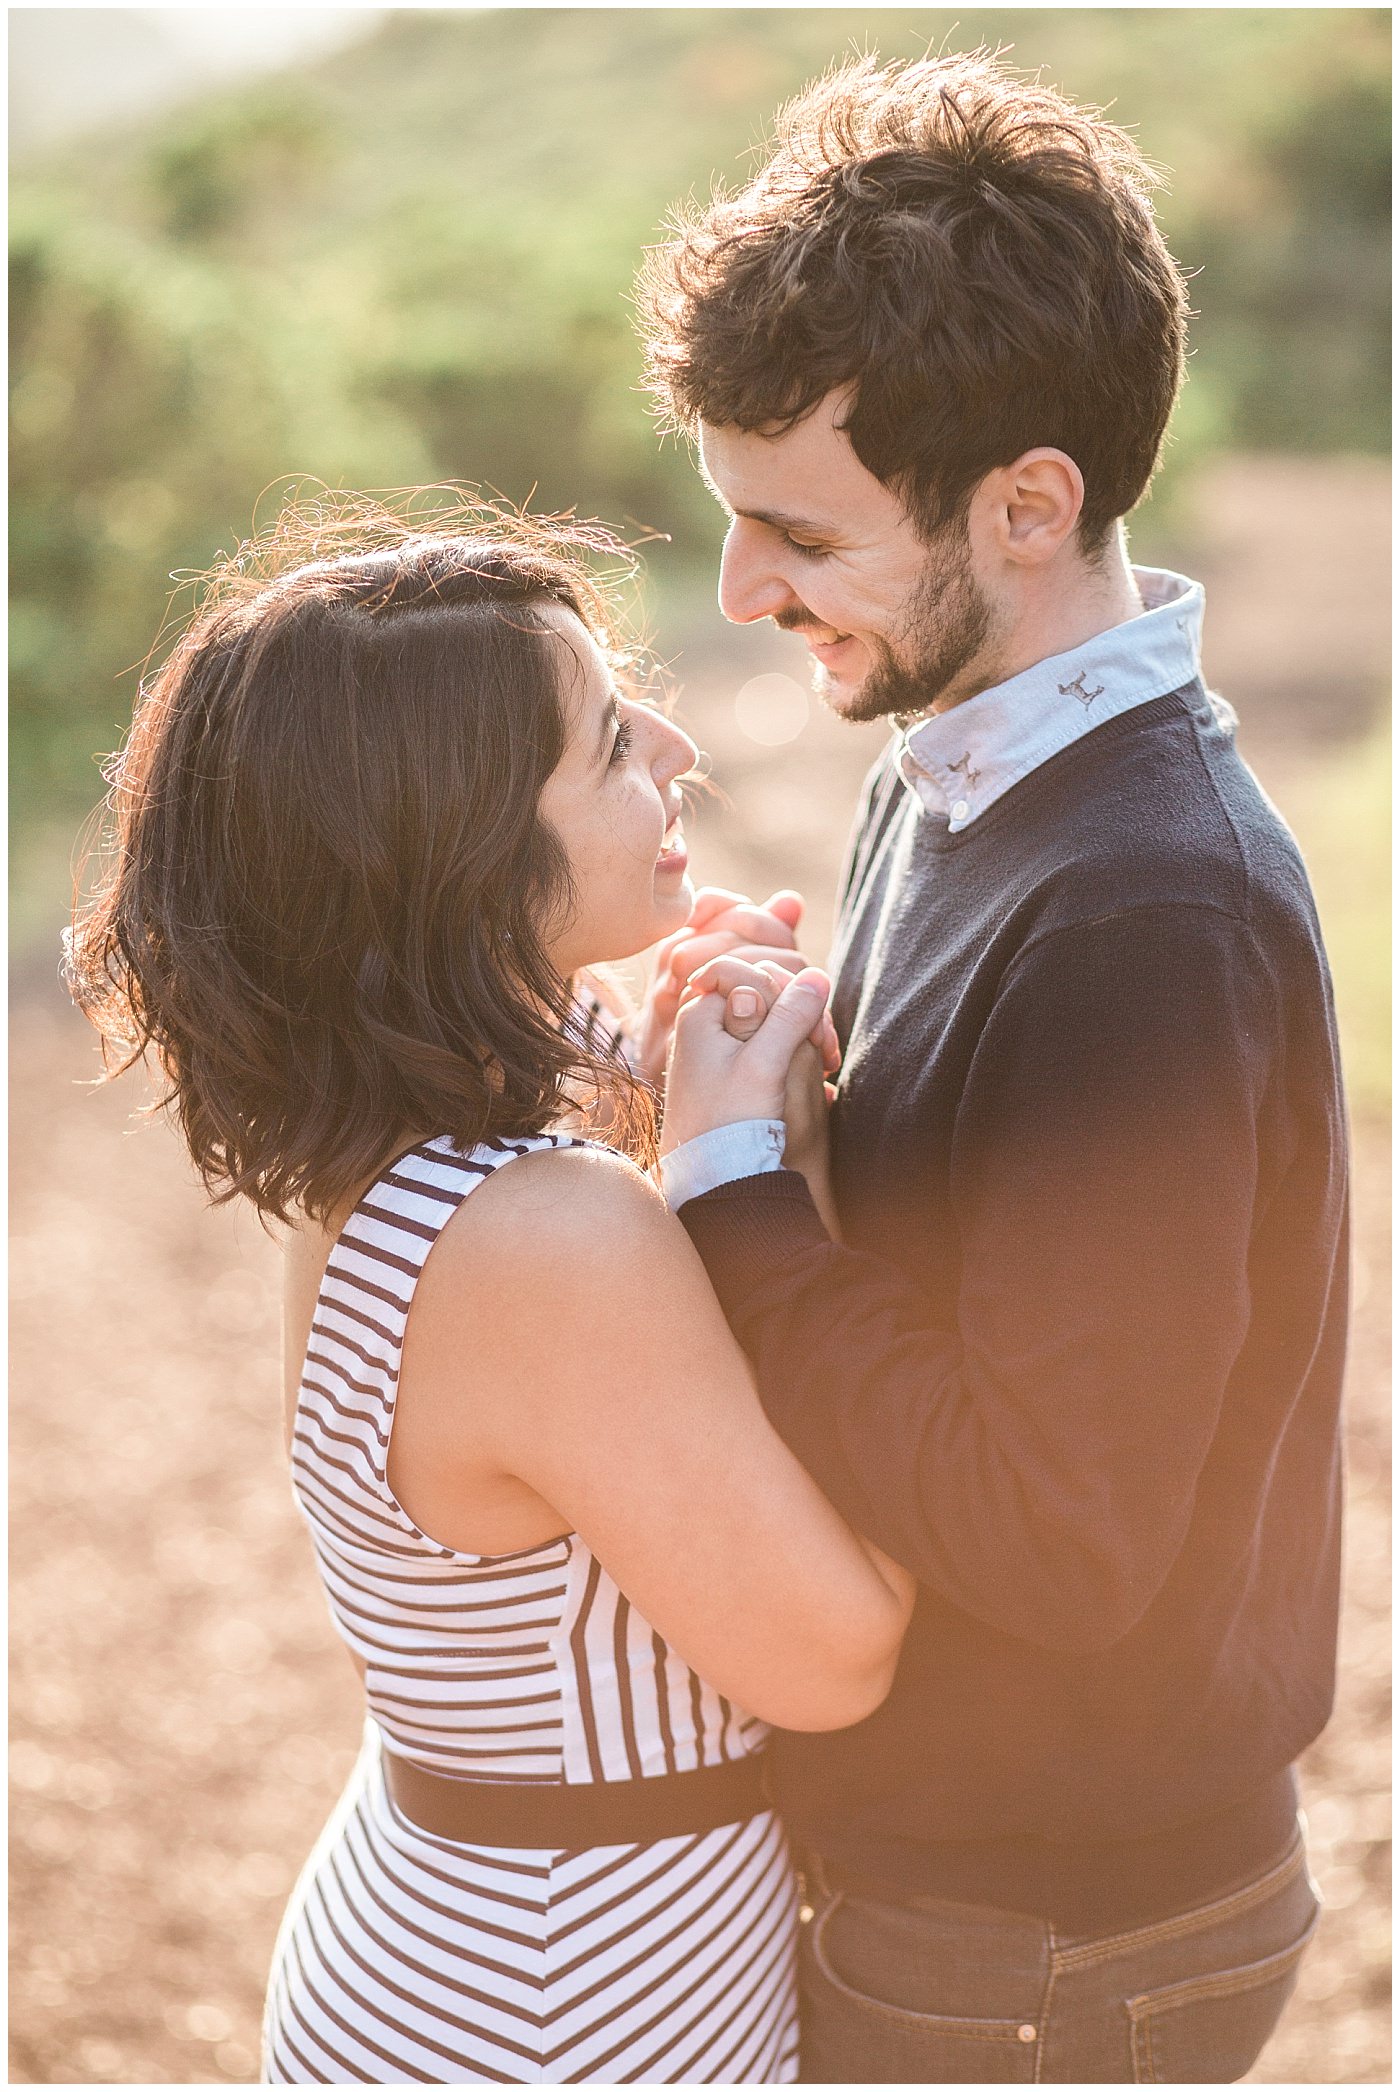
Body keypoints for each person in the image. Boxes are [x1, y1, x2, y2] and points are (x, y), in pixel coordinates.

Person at [640, 50, 1348, 2084]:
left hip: (1055, 1933)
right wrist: (780, 1080)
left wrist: (736, 1191)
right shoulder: (957, 764)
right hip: (997, 1892)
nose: (743, 593)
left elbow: (1062, 1536)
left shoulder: (1147, 904)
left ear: (1026, 504)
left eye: (795, 531)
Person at [65, 507, 915, 2086]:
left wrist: (680, 1096)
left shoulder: (405, 1128)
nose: (672, 739)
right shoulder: (544, 1238)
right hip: (557, 1997)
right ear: (462, 860)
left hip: (463, 1916)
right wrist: (751, 1170)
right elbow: (832, 1655)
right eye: (605, 744)